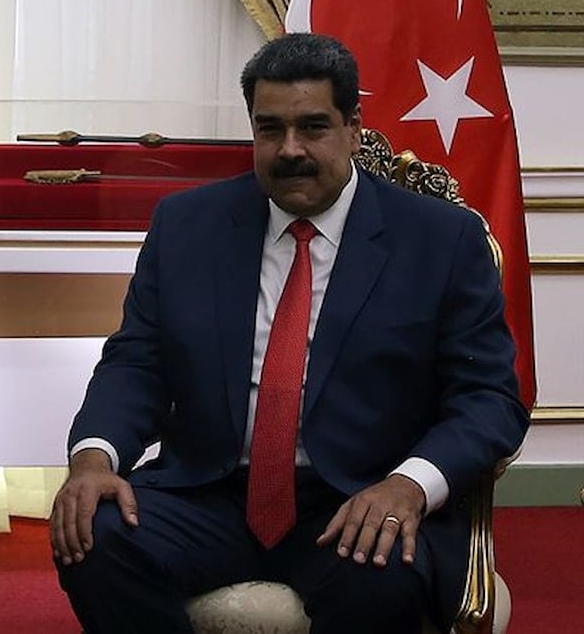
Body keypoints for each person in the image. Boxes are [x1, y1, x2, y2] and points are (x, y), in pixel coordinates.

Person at [50, 33, 529, 633]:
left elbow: (489, 399)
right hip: (211, 492)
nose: (290, 149)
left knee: (382, 576)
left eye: (313, 127)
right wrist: (94, 458)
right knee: (92, 536)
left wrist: (409, 485)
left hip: (359, 496)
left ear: (354, 129)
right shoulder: (188, 225)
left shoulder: (442, 239)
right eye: (270, 129)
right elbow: (136, 364)